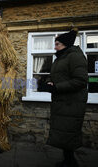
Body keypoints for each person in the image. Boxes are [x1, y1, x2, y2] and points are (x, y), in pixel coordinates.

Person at [38, 29, 88, 167]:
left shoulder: (75, 57)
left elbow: (81, 80)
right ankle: (68, 161)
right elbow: (57, 76)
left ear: (65, 44)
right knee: (65, 133)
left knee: (68, 132)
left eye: (57, 44)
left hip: (72, 103)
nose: (55, 47)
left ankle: (71, 163)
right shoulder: (61, 58)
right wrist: (48, 81)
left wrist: (56, 87)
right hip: (63, 102)